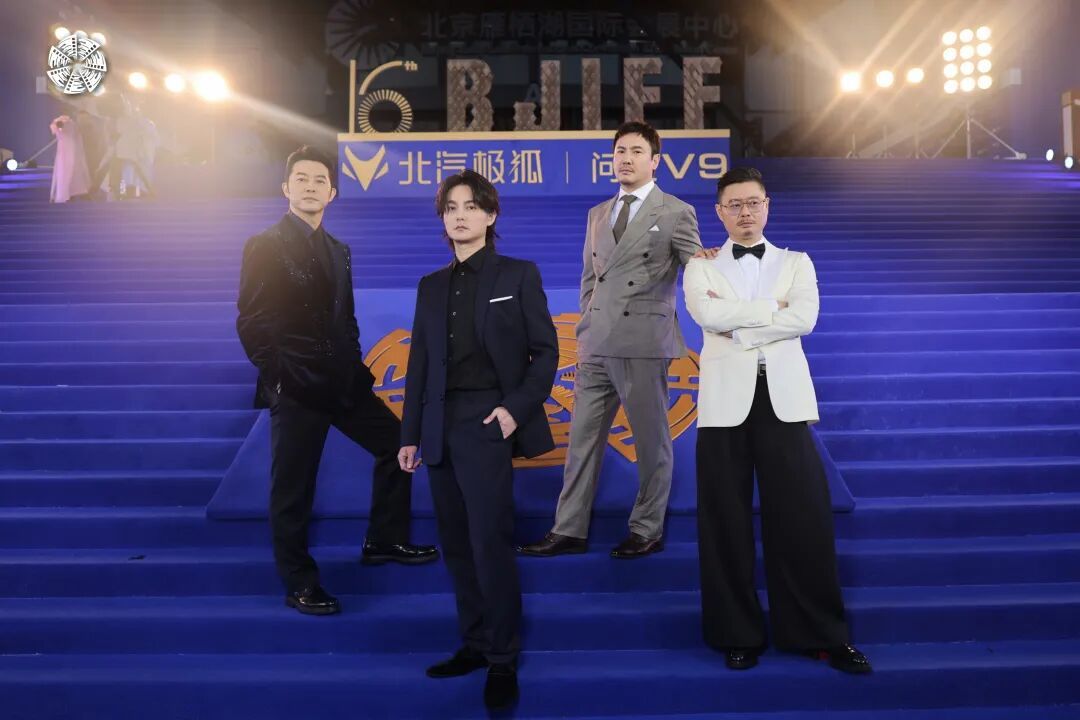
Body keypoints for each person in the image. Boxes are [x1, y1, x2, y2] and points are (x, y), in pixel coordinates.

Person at [682, 166, 871, 674]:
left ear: (767, 206)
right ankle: (735, 634)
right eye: (735, 205)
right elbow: (708, 317)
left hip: (784, 400)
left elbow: (804, 318)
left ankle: (818, 634)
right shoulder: (700, 266)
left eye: (753, 203)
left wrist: (742, 325)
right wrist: (772, 309)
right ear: (719, 212)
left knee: (803, 518)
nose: (745, 212)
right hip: (724, 405)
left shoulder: (797, 261)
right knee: (724, 521)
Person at [236, 145, 437, 616]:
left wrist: (355, 368)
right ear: (286, 189)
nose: (310, 186)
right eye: (301, 179)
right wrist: (280, 376)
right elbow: (251, 320)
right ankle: (299, 581)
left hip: (343, 381)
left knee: (397, 445)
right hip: (295, 385)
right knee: (294, 486)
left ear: (332, 193)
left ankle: (384, 540)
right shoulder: (264, 244)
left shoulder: (338, 250)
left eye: (319, 181)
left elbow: (345, 318)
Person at [399, 170, 558, 711]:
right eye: (451, 208)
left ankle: (503, 657)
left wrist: (513, 410)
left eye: (470, 206)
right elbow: (419, 364)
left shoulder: (518, 274)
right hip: (439, 425)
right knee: (456, 542)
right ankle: (474, 642)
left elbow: (547, 352)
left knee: (489, 539)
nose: (460, 215)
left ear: (491, 215)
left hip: (488, 420)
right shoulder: (430, 285)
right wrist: (410, 434)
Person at [520, 121, 702, 559]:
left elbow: (696, 272)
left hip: (643, 342)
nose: (626, 158)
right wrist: (587, 323)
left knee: (650, 442)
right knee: (581, 442)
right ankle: (569, 528)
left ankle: (647, 528)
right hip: (596, 342)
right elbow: (590, 278)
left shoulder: (675, 212)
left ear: (655, 161)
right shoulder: (598, 213)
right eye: (620, 151)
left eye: (636, 151)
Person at [49, 115, 91, 203]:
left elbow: (74, 135)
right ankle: (67, 193)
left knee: (68, 171)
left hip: (68, 149)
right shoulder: (60, 123)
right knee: (64, 171)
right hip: (65, 150)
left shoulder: (70, 124)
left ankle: (69, 192)